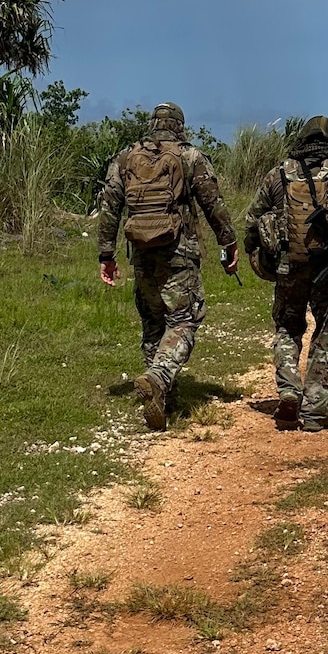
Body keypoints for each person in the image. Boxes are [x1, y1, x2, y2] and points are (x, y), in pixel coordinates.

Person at [95, 102, 238, 431]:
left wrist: (106, 254)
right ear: (179, 126)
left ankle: (161, 399)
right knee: (185, 320)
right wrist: (228, 243)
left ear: (152, 124)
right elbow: (212, 204)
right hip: (179, 254)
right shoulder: (190, 158)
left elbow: (110, 208)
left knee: (153, 323)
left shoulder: (126, 157)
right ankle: (159, 379)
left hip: (142, 253)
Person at [243, 115, 328, 432]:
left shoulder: (278, 175)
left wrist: (254, 251)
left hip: (288, 268)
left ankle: (290, 390)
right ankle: (316, 410)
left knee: (288, 328)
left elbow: (252, 220)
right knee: (327, 335)